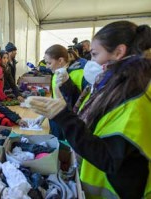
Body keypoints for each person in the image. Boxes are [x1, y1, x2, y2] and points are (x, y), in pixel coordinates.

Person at [30, 21, 151, 198]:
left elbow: (109, 157)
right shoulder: (116, 84)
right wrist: (66, 95)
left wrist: (64, 117)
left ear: (119, 52)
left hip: (119, 190)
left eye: (94, 54)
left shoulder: (136, 97)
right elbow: (89, 112)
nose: (91, 61)